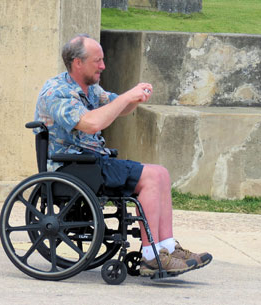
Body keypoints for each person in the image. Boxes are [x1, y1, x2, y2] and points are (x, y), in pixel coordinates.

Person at [34, 34, 212, 277]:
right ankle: (151, 257)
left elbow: (118, 107)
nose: (103, 66)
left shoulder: (90, 89)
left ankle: (167, 247)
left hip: (92, 162)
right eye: (97, 61)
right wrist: (128, 97)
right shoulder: (57, 92)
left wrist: (136, 98)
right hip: (73, 166)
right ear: (77, 62)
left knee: (161, 173)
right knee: (150, 177)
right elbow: (90, 123)